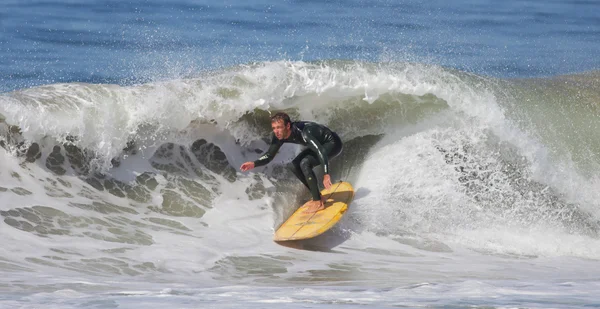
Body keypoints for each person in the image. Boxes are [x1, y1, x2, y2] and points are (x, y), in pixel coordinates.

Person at [240, 112, 343, 213]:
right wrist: (254, 163)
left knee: (304, 163)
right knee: (293, 165)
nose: (276, 131)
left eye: (279, 127)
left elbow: (320, 151)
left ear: (288, 126)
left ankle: (317, 202)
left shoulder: (304, 133)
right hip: (319, 145)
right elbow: (269, 155)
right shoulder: (279, 136)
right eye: (274, 128)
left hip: (332, 143)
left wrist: (326, 174)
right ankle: (318, 196)